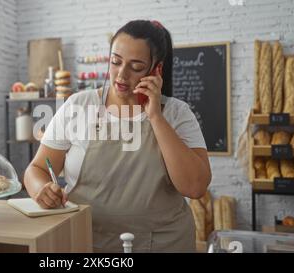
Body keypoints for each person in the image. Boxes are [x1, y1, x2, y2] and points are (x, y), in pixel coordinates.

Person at [24, 20, 211, 253]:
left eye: (136, 66)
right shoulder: (78, 106)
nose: (121, 75)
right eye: (116, 62)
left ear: (156, 70)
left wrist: (155, 117)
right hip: (87, 240)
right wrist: (41, 190)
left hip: (163, 244)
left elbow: (195, 187)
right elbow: (37, 169)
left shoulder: (176, 113)